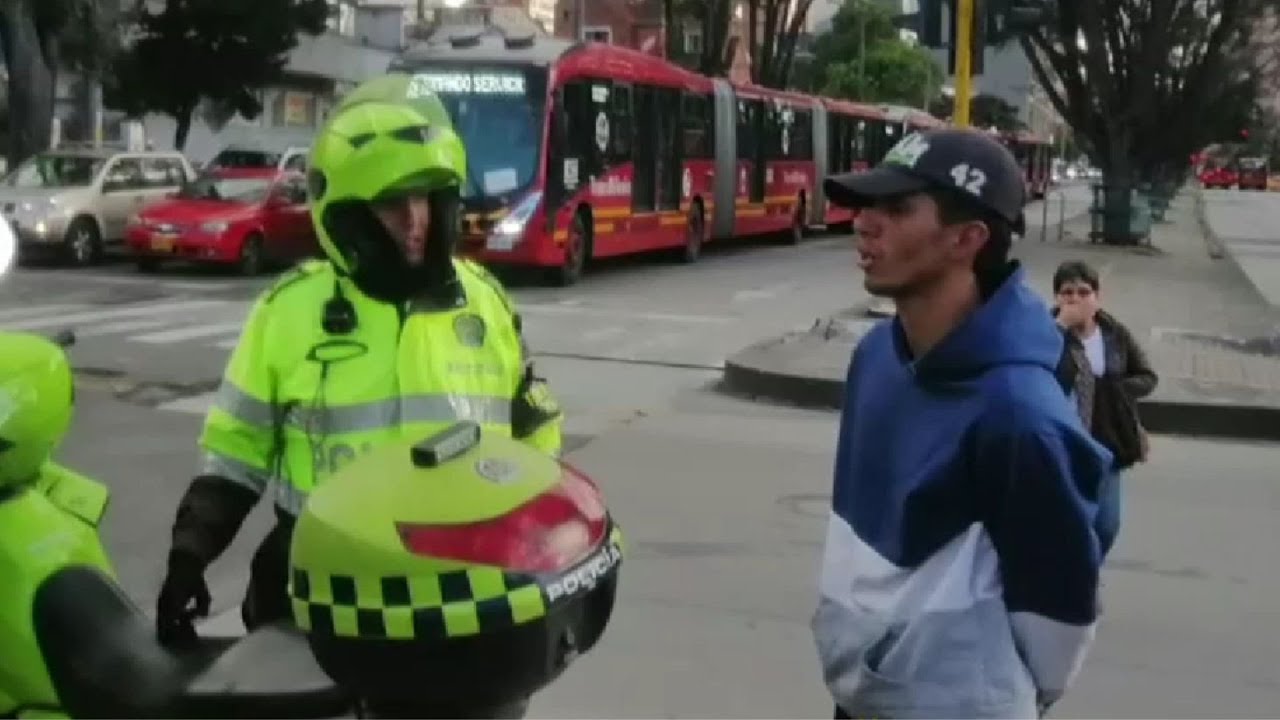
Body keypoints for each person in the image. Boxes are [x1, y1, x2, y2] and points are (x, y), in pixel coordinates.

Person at [154, 74, 564, 646]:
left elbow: (534, 438)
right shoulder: (288, 312)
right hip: (319, 587)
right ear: (347, 215)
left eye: (427, 198)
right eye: (393, 204)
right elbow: (234, 454)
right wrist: (189, 557)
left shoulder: (485, 303)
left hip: (459, 591)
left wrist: (541, 542)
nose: (416, 221)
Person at [812, 128, 1119, 719]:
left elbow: (1059, 610)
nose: (864, 223)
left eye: (897, 209)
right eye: (866, 205)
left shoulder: (1018, 410)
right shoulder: (875, 355)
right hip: (859, 693)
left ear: (967, 238)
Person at [1052, 260, 1157, 549]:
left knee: (1106, 525)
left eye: (1083, 292)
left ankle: (1086, 568)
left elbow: (1146, 376)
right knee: (1068, 522)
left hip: (1106, 439)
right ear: (1057, 298)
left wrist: (1115, 392)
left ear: (1097, 297)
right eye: (1067, 293)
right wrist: (1060, 326)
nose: (1075, 299)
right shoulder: (1048, 333)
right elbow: (1035, 369)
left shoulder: (1114, 334)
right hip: (1064, 441)